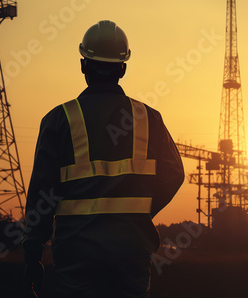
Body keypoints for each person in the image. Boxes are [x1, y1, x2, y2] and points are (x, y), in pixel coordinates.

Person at [22, 20, 185, 298]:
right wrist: (138, 213)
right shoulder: (149, 119)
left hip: (76, 255)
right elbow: (174, 175)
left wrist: (32, 251)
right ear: (123, 68)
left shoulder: (58, 120)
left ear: (83, 64)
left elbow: (41, 193)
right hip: (130, 253)